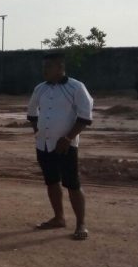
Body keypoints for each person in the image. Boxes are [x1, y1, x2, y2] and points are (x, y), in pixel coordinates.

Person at [27, 51, 93, 241]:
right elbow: (32, 113)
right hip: (43, 145)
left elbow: (85, 117)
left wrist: (68, 137)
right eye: (44, 67)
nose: (44, 71)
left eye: (48, 67)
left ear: (60, 67)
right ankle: (58, 217)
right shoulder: (40, 88)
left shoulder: (76, 87)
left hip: (66, 145)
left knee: (72, 183)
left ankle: (81, 223)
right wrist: (37, 132)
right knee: (51, 181)